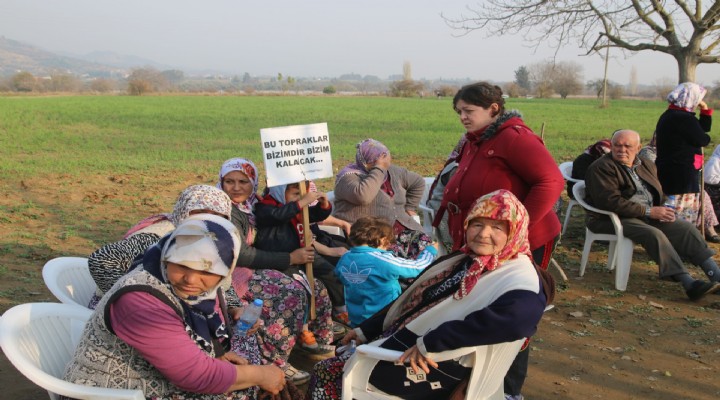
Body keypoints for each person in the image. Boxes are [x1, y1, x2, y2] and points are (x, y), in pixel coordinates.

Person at [305, 190, 554, 400]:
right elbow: (413, 302)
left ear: (515, 232)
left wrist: (435, 341)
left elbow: (519, 320)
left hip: (437, 367)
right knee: (337, 356)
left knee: (329, 373)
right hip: (415, 346)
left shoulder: (520, 276)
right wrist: (366, 330)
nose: (482, 234)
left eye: (497, 227)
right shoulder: (466, 260)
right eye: (477, 223)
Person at [434, 81, 564, 399]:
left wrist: (517, 231)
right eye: (459, 111)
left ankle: (508, 389)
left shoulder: (514, 138)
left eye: (469, 110)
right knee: (479, 307)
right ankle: (476, 383)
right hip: (483, 241)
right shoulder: (474, 141)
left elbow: (551, 181)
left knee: (511, 313)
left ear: (493, 109)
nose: (463, 117)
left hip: (523, 241)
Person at [64, 215, 286, 400]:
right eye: (182, 265)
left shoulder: (191, 293)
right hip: (107, 393)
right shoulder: (141, 302)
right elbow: (195, 376)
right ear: (166, 257)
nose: (191, 279)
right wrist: (260, 375)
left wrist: (215, 357)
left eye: (207, 272)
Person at [217, 157, 335, 383]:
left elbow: (297, 215)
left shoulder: (250, 204)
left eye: (243, 181)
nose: (236, 187)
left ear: (254, 182)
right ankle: (275, 361)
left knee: (315, 286)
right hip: (233, 271)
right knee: (290, 293)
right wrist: (289, 257)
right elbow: (241, 254)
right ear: (221, 182)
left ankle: (313, 339)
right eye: (229, 181)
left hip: (257, 263)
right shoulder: (226, 210)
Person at [584, 129, 720, 300]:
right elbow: (610, 202)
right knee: (653, 234)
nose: (622, 150)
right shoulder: (601, 167)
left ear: (638, 147)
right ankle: (688, 282)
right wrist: (649, 211)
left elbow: (657, 191)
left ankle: (715, 274)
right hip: (610, 218)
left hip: (644, 215)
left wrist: (664, 209)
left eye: (628, 146)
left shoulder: (646, 164)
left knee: (685, 229)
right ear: (611, 146)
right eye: (617, 145)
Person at [87, 184, 233, 309]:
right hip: (129, 314)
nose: (206, 219)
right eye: (200, 212)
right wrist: (131, 298)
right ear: (183, 211)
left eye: (217, 216)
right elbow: (102, 260)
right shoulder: (158, 236)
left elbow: (221, 279)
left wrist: (234, 307)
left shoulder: (213, 243)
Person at [254, 181, 348, 338]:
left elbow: (314, 215)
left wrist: (323, 206)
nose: (301, 199)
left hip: (305, 252)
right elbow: (278, 215)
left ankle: (340, 310)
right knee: (303, 289)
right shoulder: (266, 207)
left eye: (303, 195)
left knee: (330, 273)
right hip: (285, 258)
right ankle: (304, 329)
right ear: (279, 191)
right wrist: (302, 202)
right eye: (296, 194)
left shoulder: (298, 208)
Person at [333, 138, 432, 260]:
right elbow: (364, 196)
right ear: (367, 161)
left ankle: (424, 276)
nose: (386, 163)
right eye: (380, 160)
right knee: (398, 260)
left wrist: (410, 207)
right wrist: (378, 169)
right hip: (372, 237)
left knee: (427, 248)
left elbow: (418, 182)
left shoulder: (392, 171)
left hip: (403, 232)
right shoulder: (348, 178)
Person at [335, 216, 438, 326]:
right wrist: (430, 251)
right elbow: (417, 267)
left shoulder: (345, 258)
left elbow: (338, 274)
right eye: (388, 242)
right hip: (384, 319)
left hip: (356, 319)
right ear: (383, 240)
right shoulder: (382, 260)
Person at [644, 132, 720, 242]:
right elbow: (655, 172)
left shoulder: (675, 151)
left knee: (700, 192)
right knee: (680, 192)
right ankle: (678, 231)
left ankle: (708, 228)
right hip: (658, 184)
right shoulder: (649, 152)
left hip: (678, 182)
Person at [655, 82, 713, 227]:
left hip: (671, 169)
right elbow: (703, 138)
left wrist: (705, 110)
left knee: (673, 206)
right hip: (681, 172)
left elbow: (702, 128)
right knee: (680, 212)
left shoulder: (671, 115)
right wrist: (705, 138)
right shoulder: (684, 118)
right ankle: (679, 243)